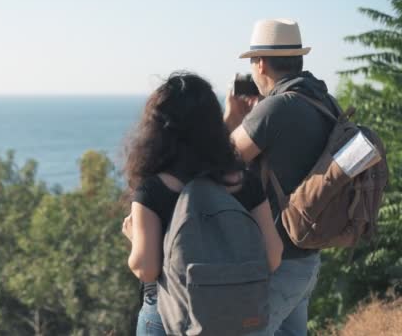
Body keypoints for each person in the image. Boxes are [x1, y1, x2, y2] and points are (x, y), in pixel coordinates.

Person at [122, 71, 283, 335]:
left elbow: (146, 268)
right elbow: (273, 256)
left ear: (158, 129)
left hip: (168, 317)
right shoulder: (244, 182)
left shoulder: (153, 189)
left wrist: (132, 237)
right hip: (237, 317)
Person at [226, 19, 336, 335]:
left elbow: (221, 163)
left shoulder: (275, 108)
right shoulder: (322, 99)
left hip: (278, 264)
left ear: (260, 63)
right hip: (307, 256)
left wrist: (231, 118)